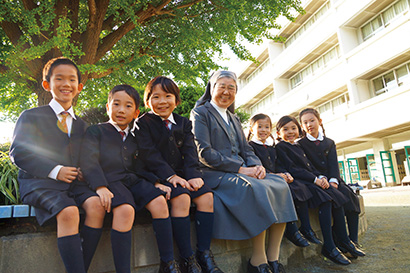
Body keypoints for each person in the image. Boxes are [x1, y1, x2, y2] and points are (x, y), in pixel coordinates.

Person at [190, 71, 298, 273]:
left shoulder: (234, 117)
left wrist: (256, 166)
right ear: (212, 88)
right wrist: (241, 170)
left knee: (280, 185)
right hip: (214, 173)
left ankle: (273, 258)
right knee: (255, 188)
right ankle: (258, 260)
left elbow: (246, 149)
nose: (226, 91)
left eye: (231, 87)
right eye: (221, 86)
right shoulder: (200, 113)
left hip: (242, 170)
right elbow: (203, 153)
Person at [9, 57, 105, 273]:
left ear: (79, 87)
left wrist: (83, 172)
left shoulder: (83, 126)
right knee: (69, 211)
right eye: (59, 78)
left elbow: (86, 158)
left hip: (73, 185)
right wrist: (56, 170)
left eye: (72, 80)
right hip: (39, 183)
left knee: (97, 206)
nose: (66, 84)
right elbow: (20, 153)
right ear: (47, 84)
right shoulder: (31, 116)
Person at [136, 76, 222, 273]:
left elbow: (190, 151)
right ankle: (187, 258)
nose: (162, 101)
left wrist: (193, 174)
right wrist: (170, 176)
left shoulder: (183, 123)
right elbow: (149, 154)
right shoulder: (143, 123)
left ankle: (205, 254)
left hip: (184, 175)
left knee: (207, 197)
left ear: (176, 100)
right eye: (155, 97)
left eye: (168, 96)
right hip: (159, 177)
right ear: (148, 101)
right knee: (182, 198)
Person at [275, 115, 365, 265]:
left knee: (339, 197)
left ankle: (345, 241)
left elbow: (310, 166)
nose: (290, 132)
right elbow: (294, 169)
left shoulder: (299, 146)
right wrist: (315, 179)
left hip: (314, 179)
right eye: (286, 129)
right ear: (278, 133)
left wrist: (320, 177)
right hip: (301, 183)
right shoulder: (282, 147)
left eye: (293, 128)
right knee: (328, 199)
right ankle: (329, 245)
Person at [80, 84, 146, 273]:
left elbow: (141, 165)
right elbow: (88, 160)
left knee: (151, 200)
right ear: (108, 107)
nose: (121, 110)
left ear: (136, 112)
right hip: (104, 183)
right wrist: (100, 186)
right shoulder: (95, 131)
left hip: (128, 183)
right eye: (116, 104)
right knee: (125, 210)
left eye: (127, 106)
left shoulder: (134, 138)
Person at [298, 108, 364, 253]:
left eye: (312, 120)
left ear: (319, 121)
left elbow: (334, 164)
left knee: (351, 197)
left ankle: (353, 241)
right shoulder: (300, 144)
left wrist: (334, 180)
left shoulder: (329, 142)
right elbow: (306, 166)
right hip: (316, 181)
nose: (309, 124)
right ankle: (341, 241)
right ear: (301, 126)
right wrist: (321, 179)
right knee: (335, 199)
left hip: (333, 179)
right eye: (305, 122)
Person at [247, 113, 313, 248]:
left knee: (298, 187)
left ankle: (305, 228)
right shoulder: (249, 146)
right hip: (262, 180)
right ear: (251, 129)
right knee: (284, 189)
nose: (263, 130)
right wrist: (276, 175)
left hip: (276, 178)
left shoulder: (271, 148)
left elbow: (278, 166)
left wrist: (285, 174)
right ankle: (292, 230)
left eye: (267, 127)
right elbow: (255, 166)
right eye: (260, 126)